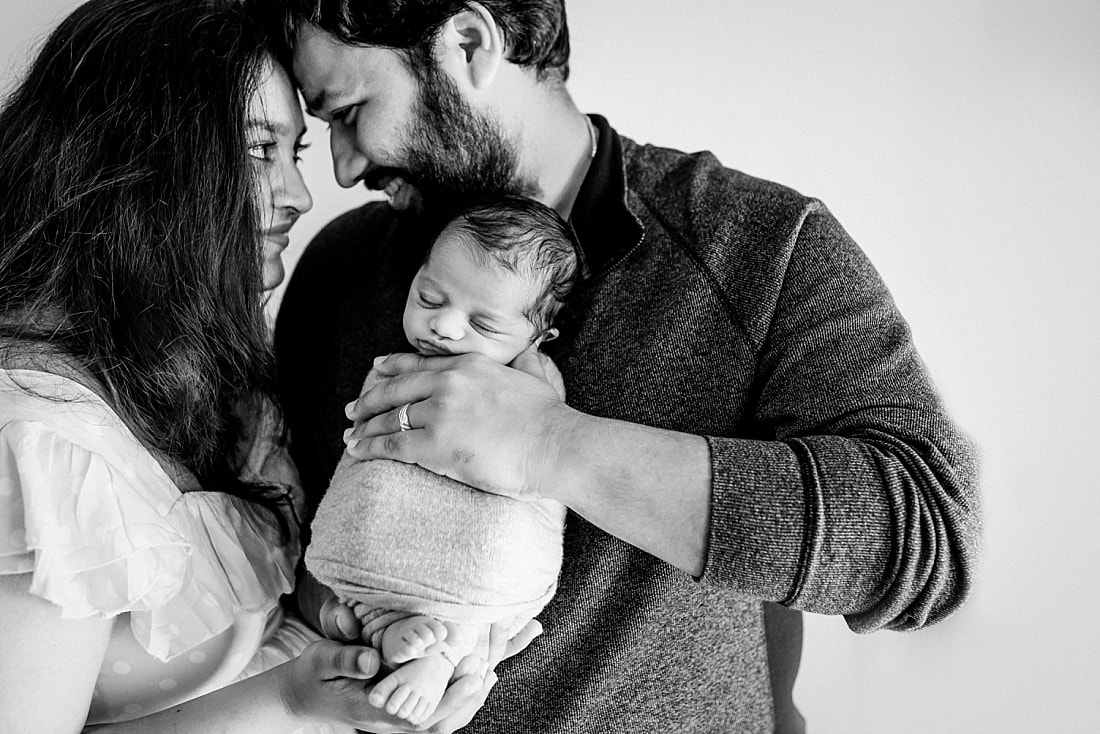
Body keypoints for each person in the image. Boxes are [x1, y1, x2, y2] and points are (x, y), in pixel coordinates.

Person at [258, 1, 984, 732]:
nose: (344, 167)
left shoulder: (759, 248)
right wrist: (342, 617)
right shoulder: (336, 270)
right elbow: (305, 550)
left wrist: (550, 444)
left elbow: (928, 537)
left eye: (348, 111)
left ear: (470, 43)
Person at [0, 1, 534, 732]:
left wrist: (381, 634)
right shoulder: (36, 448)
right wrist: (294, 700)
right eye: (259, 150)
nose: (302, 195)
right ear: (133, 160)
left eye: (295, 153)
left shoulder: (218, 377)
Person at [305, 195, 576, 726]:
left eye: (485, 324)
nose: (445, 327)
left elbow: (537, 474)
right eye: (429, 297)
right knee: (354, 608)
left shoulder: (533, 387)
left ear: (536, 339)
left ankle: (438, 658)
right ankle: (386, 629)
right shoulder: (394, 361)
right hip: (379, 559)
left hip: (466, 566)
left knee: (470, 599)